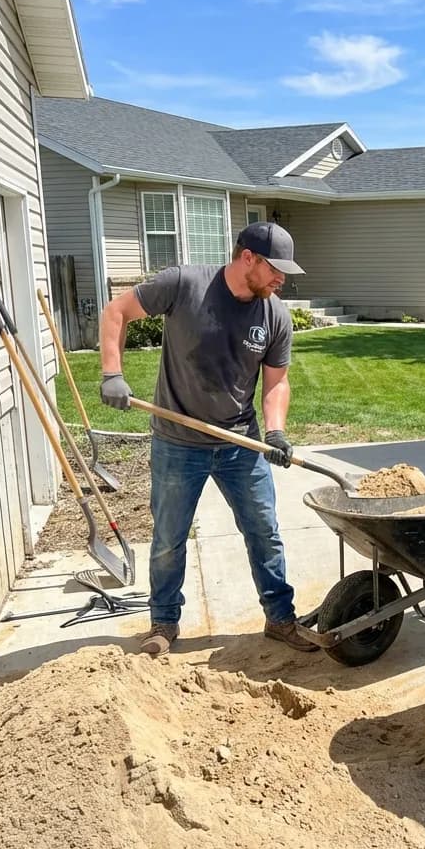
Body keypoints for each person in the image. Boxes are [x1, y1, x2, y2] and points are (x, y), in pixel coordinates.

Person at [98, 221, 319, 657]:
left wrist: (275, 431)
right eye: (276, 269)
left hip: (241, 442)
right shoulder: (184, 285)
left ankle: (280, 618)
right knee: (168, 538)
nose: (281, 280)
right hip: (178, 441)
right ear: (247, 258)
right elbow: (116, 312)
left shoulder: (274, 315)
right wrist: (112, 374)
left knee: (264, 531)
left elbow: (276, 383)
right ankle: (163, 623)